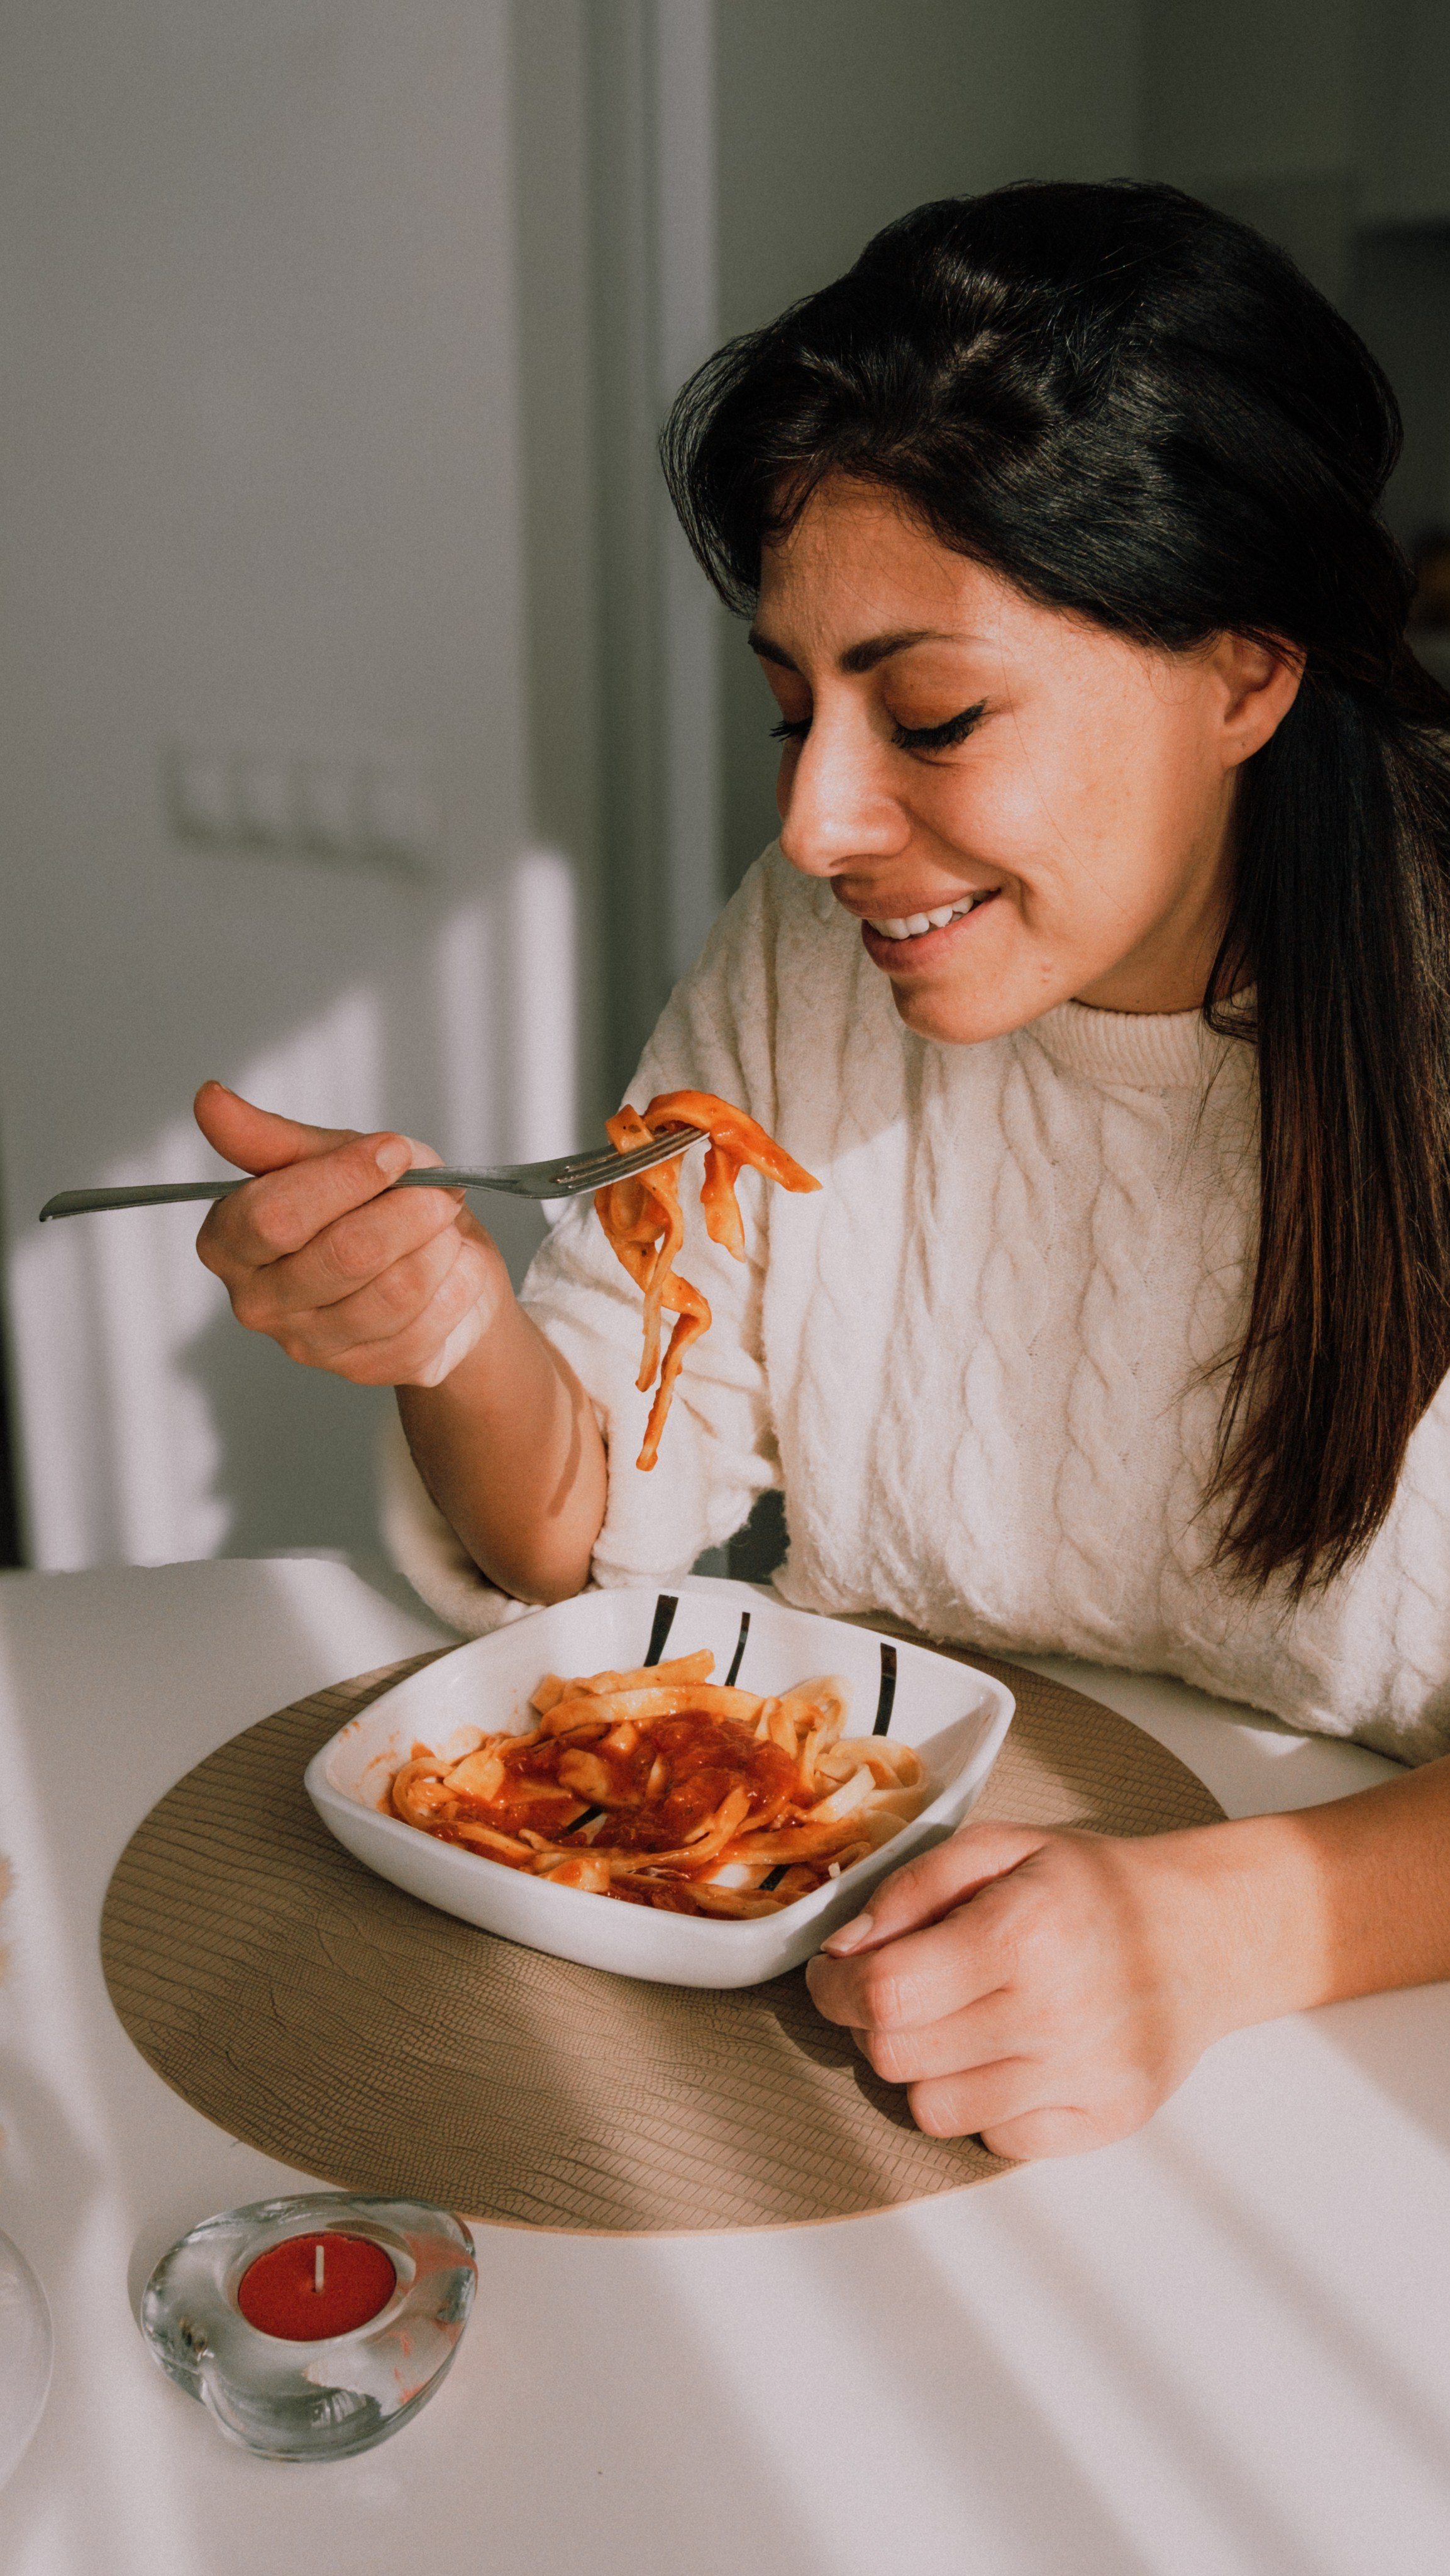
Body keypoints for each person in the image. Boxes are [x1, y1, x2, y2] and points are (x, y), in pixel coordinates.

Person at [195, 181, 1450, 2162]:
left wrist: (1218, 1930)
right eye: (793, 705)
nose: (814, 821)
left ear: (1243, 672)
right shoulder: (823, 953)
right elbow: (581, 1525)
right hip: (880, 1979)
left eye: (930, 712)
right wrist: (449, 1332)